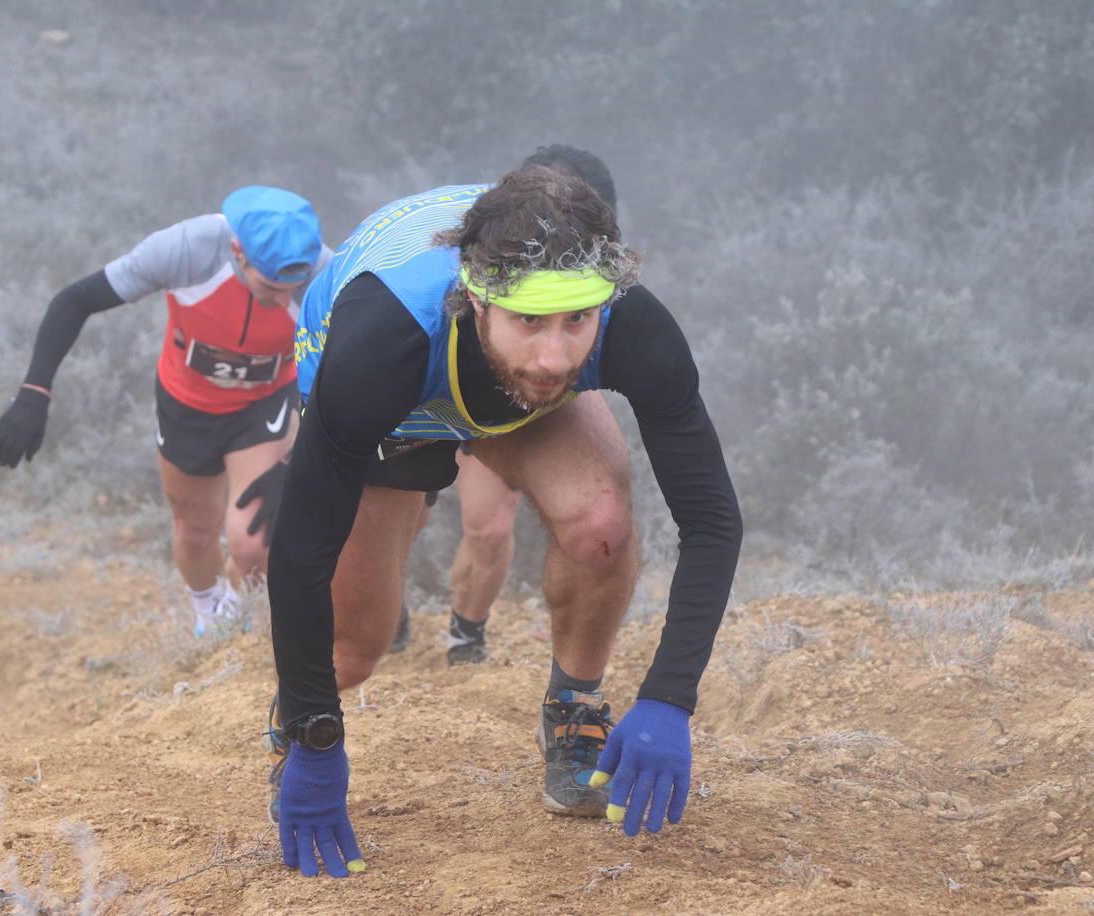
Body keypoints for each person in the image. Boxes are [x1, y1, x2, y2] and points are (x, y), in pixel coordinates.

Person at [264, 164, 743, 877]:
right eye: (529, 321)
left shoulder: (629, 322)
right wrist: (315, 735)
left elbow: (711, 519)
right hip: (405, 395)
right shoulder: (379, 340)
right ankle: (288, 726)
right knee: (352, 651)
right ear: (478, 299)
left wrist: (670, 698)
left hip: (505, 400)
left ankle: (576, 708)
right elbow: (300, 550)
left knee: (601, 524)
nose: (555, 357)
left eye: (577, 321)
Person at [0, 187, 328, 636]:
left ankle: (234, 613)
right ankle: (206, 610)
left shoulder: (324, 273)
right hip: (187, 402)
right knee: (194, 532)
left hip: (263, 405)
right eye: (271, 289)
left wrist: (292, 460)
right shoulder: (186, 250)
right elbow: (74, 301)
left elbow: (336, 374)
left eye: (292, 291)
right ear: (237, 252)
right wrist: (33, 392)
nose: (285, 303)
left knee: (254, 542)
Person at [438, 144, 620, 666]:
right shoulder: (488, 237)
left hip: (513, 405)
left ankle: (465, 635)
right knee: (398, 504)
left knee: (488, 526)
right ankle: (393, 616)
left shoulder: (602, 277)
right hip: (436, 391)